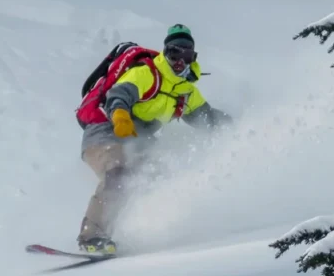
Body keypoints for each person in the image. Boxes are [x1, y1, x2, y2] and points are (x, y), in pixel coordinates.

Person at [74, 24, 231, 254]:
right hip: (104, 129)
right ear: (165, 52)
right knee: (118, 173)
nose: (178, 60)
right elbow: (118, 95)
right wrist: (120, 116)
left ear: (193, 57)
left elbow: (208, 119)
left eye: (185, 54)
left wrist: (241, 129)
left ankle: (128, 232)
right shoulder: (146, 73)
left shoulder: (185, 92)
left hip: (134, 139)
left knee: (156, 173)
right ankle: (92, 236)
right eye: (173, 53)